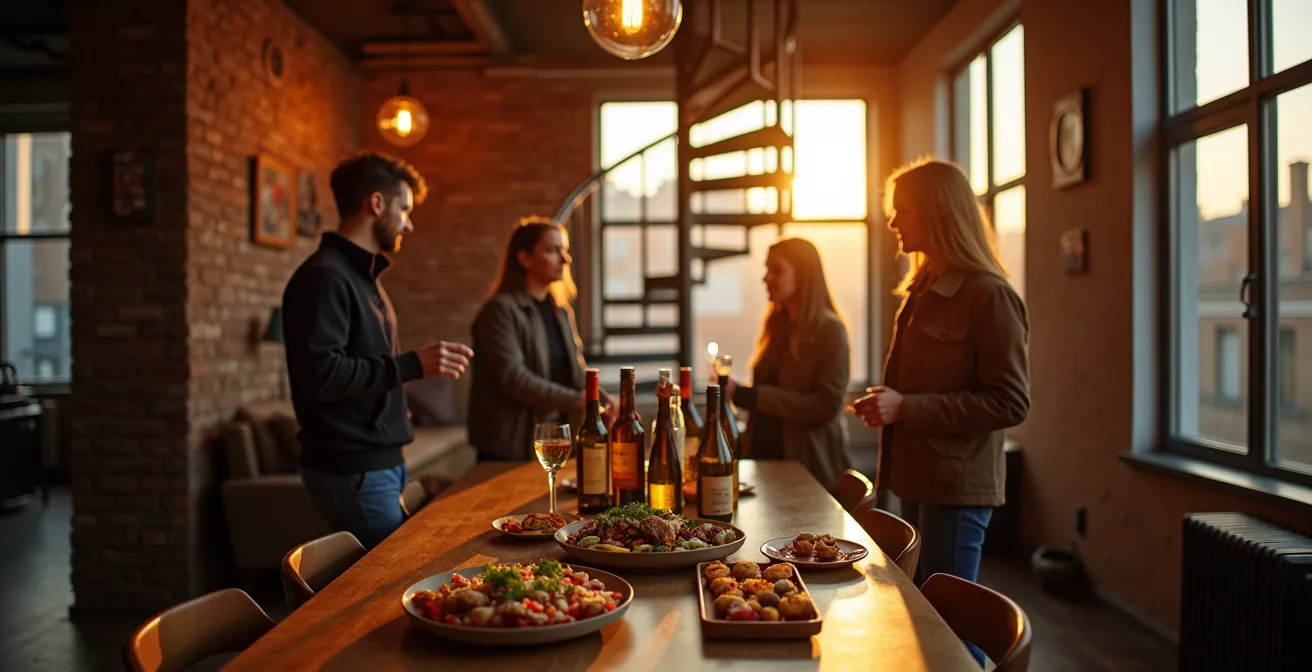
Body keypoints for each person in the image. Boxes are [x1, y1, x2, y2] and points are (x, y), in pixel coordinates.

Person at [851, 157, 1028, 662]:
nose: (891, 222)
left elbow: (1012, 401)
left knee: (950, 634)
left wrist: (907, 407)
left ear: (937, 213)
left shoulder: (989, 297)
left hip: (956, 485)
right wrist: (892, 406)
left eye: (901, 210)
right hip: (916, 478)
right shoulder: (922, 292)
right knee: (925, 620)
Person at [282, 151, 474, 550]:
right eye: (404, 209)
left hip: (382, 465)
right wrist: (411, 365)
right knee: (382, 590)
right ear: (376, 204)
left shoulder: (362, 277)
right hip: (355, 470)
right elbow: (322, 376)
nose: (409, 222)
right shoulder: (324, 278)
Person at [468, 216, 615, 461]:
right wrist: (578, 401)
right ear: (525, 258)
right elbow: (515, 378)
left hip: (555, 438)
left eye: (565, 250)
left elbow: (576, 372)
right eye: (552, 250)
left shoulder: (560, 310)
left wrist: (606, 400)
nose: (565, 259)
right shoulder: (499, 311)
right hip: (509, 446)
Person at [720, 237, 852, 491]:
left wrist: (750, 395)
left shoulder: (829, 331)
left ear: (803, 275)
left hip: (806, 473)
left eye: (777, 270)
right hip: (764, 469)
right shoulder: (778, 326)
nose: (766, 278)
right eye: (767, 269)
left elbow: (825, 406)